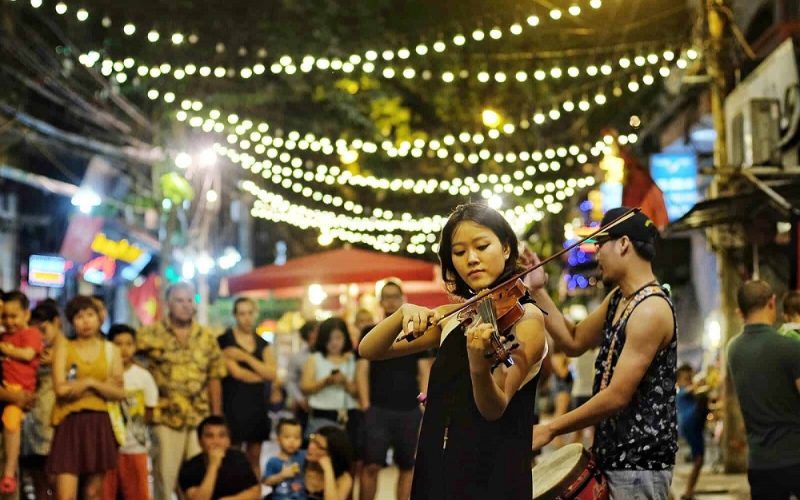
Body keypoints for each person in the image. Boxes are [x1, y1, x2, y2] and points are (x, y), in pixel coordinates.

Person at [359, 202, 548, 500]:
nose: (471, 259)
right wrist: (401, 313)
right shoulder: (456, 315)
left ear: (507, 248)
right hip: (438, 465)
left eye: (482, 246)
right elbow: (370, 349)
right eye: (459, 252)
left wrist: (478, 364)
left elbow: (494, 406)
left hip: (490, 477)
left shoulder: (527, 320)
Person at [530, 207, 678, 499]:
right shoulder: (619, 299)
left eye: (600, 244)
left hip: (638, 465)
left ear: (623, 244)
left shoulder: (651, 309)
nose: (596, 254)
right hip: (612, 457)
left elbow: (617, 396)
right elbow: (573, 341)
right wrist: (537, 290)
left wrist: (551, 428)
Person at [137, 282, 227, 500]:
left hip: (199, 417)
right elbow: (133, 370)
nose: (186, 306)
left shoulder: (206, 337)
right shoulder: (149, 335)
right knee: (164, 476)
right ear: (168, 303)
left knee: (198, 476)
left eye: (190, 300)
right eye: (179, 300)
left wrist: (216, 416)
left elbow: (214, 376)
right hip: (166, 417)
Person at [358, 280, 431, 500]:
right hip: (378, 409)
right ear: (380, 301)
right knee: (371, 465)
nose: (391, 301)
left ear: (402, 300)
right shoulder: (370, 332)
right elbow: (362, 370)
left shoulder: (416, 332)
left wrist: (423, 403)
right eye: (386, 297)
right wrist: (365, 405)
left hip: (409, 409)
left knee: (408, 467)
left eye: (395, 297)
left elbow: (424, 371)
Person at [727, 280, 800, 499]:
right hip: (796, 456)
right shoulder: (790, 348)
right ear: (772, 303)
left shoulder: (733, 350)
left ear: (740, 312)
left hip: (760, 463)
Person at [48, 296, 125, 500]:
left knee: (93, 493)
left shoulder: (111, 350)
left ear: (99, 318)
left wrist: (88, 383)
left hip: (99, 423)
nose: (86, 321)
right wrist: (103, 386)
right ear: (72, 321)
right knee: (65, 495)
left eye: (90, 315)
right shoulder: (65, 348)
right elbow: (61, 390)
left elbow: (119, 392)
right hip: (69, 423)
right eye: (79, 317)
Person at [218, 297, 276, 477]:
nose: (247, 318)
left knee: (254, 457)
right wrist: (261, 373)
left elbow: (272, 374)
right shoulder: (225, 340)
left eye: (250, 313)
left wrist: (244, 357)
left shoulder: (262, 343)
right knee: (232, 456)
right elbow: (237, 373)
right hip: (233, 403)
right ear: (235, 315)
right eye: (242, 313)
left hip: (257, 404)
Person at [104, 324, 159, 500]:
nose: (124, 349)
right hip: (107, 449)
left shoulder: (143, 376)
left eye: (129, 344)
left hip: (135, 448)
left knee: (137, 494)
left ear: (135, 346)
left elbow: (150, 410)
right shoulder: (102, 376)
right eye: (118, 344)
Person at [0, 291, 44, 493]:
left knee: (11, 422)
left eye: (13, 315)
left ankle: (9, 473)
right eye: (4, 316)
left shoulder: (30, 334)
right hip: (11, 394)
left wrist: (5, 349)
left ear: (27, 314)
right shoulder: (5, 337)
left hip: (20, 395)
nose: (9, 321)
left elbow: (28, 355)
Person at [22, 301, 65, 499]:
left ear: (57, 322)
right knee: (38, 479)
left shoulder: (69, 349)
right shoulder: (34, 349)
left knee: (57, 481)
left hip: (57, 424)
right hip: (33, 425)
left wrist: (58, 361)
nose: (40, 335)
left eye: (43, 329)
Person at [300, 317, 359, 439]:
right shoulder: (314, 359)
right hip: (321, 415)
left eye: (338, 338)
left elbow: (360, 392)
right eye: (329, 339)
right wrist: (325, 382)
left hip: (350, 414)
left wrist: (344, 382)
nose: (334, 343)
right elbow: (304, 388)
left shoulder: (353, 360)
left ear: (345, 337)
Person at [177, 416, 260, 500]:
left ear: (228, 441)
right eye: (209, 436)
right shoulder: (189, 467)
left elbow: (256, 492)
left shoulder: (239, 458)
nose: (216, 442)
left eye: (222, 436)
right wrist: (213, 465)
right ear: (200, 441)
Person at [676, 363, 708, 500]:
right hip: (690, 425)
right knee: (699, 459)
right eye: (685, 378)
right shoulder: (681, 394)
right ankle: (688, 492)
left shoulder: (690, 394)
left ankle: (689, 491)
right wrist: (699, 383)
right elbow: (691, 390)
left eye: (690, 377)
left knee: (699, 460)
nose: (688, 380)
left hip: (695, 426)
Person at [286, 321, 319, 435]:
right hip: (304, 404)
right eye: (311, 335)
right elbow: (290, 380)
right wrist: (299, 399)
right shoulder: (298, 357)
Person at [304, 426, 354, 500]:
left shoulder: (344, 479)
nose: (310, 447)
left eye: (319, 447)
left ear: (332, 453)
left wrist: (328, 471)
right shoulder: (300, 461)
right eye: (312, 440)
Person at [263, 418, 305, 499]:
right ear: (278, 439)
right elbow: (266, 481)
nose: (292, 441)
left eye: (297, 438)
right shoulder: (273, 461)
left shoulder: (303, 456)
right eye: (287, 437)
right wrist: (281, 475)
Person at [570, 347, 598, 445]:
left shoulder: (576, 356)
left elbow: (572, 371)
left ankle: (572, 456)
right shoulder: (597, 353)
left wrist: (576, 380)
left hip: (579, 392)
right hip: (591, 392)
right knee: (594, 431)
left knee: (578, 431)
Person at [549, 349, 573, 449]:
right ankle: (555, 439)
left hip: (565, 388)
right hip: (561, 388)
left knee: (561, 413)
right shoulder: (557, 356)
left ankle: (558, 438)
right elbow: (562, 373)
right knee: (559, 413)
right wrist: (568, 363)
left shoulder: (560, 355)